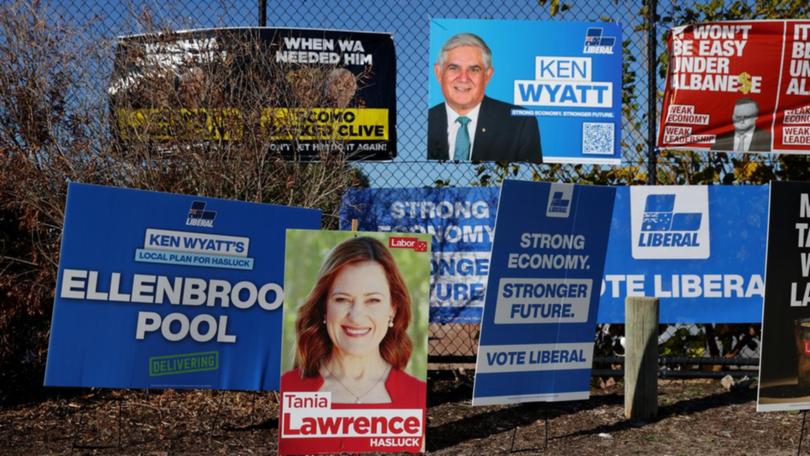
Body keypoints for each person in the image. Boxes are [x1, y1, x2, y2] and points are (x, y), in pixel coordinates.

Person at [281, 236, 425, 408]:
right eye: (342, 299)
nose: (356, 316)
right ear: (324, 308)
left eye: (373, 300)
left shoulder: (415, 394)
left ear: (392, 309)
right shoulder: (290, 389)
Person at [428, 32, 542, 163]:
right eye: (454, 68)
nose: (464, 78)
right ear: (438, 73)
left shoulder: (520, 124)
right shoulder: (427, 121)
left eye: (474, 69)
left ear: (487, 75)